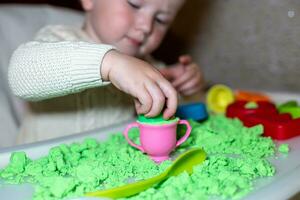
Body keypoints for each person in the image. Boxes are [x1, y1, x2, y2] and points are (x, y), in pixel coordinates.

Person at [8, 0, 205, 144]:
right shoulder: (59, 38)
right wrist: (109, 64)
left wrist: (181, 84)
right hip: (39, 173)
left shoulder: (146, 64)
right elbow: (20, 75)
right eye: (135, 5)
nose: (146, 26)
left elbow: (176, 115)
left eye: (161, 20)